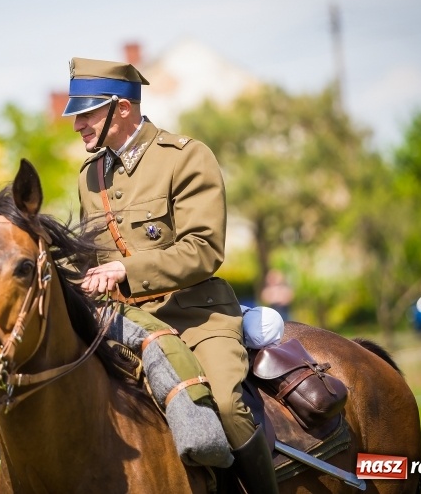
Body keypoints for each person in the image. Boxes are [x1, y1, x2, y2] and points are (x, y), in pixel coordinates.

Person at [65, 57, 278, 492]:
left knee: (225, 402)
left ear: (121, 108)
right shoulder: (90, 177)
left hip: (194, 317)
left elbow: (204, 249)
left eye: (86, 114)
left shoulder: (186, 157)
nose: (77, 125)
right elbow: (87, 261)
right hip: (124, 324)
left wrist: (126, 268)